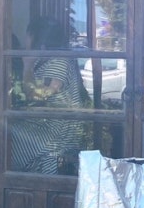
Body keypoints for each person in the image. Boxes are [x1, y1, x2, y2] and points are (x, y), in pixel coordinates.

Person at [10, 16, 89, 174]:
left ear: (36, 38)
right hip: (46, 125)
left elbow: (36, 95)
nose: (25, 41)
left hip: (55, 133)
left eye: (28, 35)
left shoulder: (58, 61)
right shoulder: (49, 59)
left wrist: (27, 66)